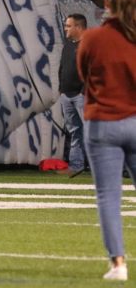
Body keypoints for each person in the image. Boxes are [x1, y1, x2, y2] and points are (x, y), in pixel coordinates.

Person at [77, 0, 136, 281]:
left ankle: (118, 264)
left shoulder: (93, 37)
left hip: (103, 123)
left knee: (109, 197)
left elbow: (83, 74)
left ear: (107, 3)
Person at [57, 13, 88, 176]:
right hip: (66, 95)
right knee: (75, 131)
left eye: (69, 26)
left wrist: (84, 92)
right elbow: (62, 67)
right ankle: (76, 165)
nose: (66, 29)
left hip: (82, 96)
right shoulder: (68, 45)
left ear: (78, 27)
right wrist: (61, 88)